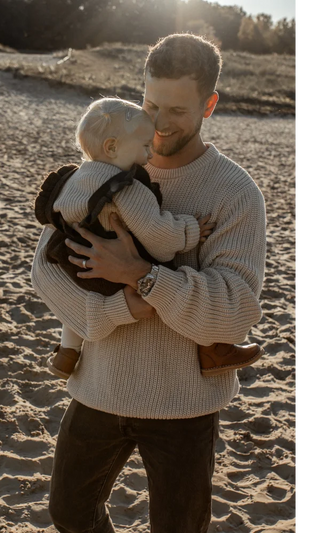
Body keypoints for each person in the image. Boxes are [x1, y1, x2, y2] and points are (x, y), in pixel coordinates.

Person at [31, 33, 267, 533]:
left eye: (177, 111)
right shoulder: (104, 167)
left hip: (184, 404)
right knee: (70, 513)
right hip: (98, 387)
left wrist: (138, 274)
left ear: (210, 104)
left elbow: (235, 310)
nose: (158, 124)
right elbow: (45, 270)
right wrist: (112, 311)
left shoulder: (235, 191)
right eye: (151, 103)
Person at [33, 96, 263, 381]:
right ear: (112, 147)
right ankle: (213, 349)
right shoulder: (126, 188)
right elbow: (158, 236)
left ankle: (67, 353)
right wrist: (191, 231)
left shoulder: (70, 180)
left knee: (79, 301)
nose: (149, 156)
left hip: (77, 266)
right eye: (144, 147)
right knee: (170, 275)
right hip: (114, 280)